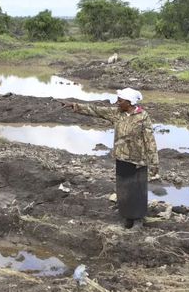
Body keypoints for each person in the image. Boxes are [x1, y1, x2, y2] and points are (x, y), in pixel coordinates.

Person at [63, 88, 159, 229]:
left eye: (120, 101)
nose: (117, 103)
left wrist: (154, 163)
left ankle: (138, 219)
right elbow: (96, 110)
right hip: (121, 158)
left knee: (137, 191)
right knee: (123, 189)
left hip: (138, 161)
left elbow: (150, 140)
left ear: (129, 102)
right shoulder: (117, 114)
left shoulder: (143, 116)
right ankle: (127, 216)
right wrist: (75, 105)